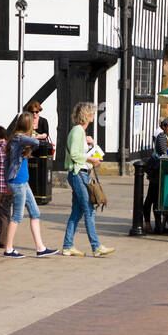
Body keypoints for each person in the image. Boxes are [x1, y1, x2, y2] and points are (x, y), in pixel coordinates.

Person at [61, 102, 114, 257]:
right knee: (89, 210)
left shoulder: (79, 132)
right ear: (86, 115)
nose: (93, 116)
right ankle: (96, 247)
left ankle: (67, 246)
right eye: (91, 113)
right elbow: (75, 156)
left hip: (79, 173)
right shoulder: (77, 131)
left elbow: (78, 152)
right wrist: (91, 160)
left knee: (77, 213)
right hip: (78, 174)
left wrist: (91, 145)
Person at [0, 112, 56, 258]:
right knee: (17, 216)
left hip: (23, 182)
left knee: (35, 213)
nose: (34, 126)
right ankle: (8, 249)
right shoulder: (18, 138)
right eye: (32, 123)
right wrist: (37, 137)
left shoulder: (19, 140)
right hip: (17, 183)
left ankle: (40, 248)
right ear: (27, 125)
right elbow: (36, 143)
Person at [145, 116, 168, 231]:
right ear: (163, 127)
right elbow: (164, 152)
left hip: (165, 172)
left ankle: (159, 224)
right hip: (157, 172)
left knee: (159, 198)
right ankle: (149, 223)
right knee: (152, 198)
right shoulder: (161, 137)